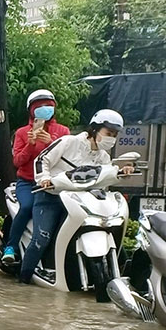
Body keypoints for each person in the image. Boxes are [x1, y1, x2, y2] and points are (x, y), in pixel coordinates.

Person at [17, 109, 134, 284]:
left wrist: (121, 173)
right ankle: (23, 280)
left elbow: (104, 179)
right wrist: (45, 179)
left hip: (79, 202)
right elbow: (42, 160)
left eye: (114, 135)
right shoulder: (69, 142)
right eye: (108, 133)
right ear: (95, 129)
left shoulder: (103, 157)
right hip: (51, 197)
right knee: (42, 238)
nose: (111, 138)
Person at [2, 89, 70, 264]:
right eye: (40, 107)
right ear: (32, 110)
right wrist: (30, 145)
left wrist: (51, 143)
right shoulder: (22, 133)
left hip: (54, 183)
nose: (45, 109)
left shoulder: (63, 132)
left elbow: (69, 159)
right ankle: (11, 247)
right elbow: (17, 161)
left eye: (48, 106)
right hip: (28, 182)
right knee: (26, 208)